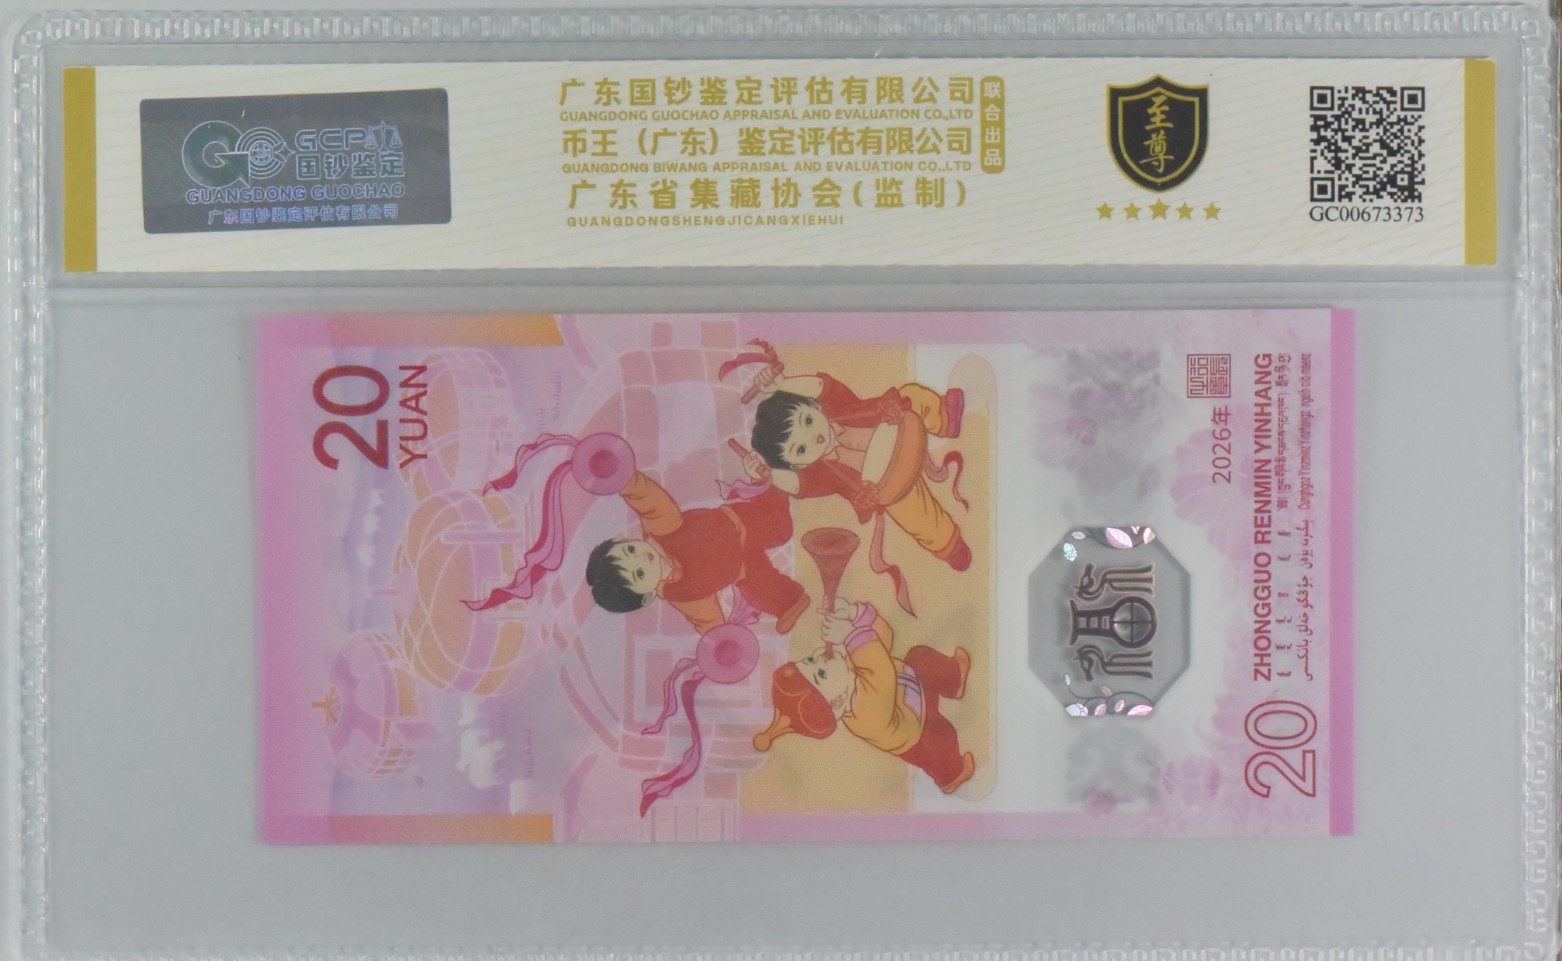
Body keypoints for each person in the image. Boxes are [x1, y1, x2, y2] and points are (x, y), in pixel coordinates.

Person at [749, 368, 971, 571]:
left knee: (911, 395)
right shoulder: (821, 475)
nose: (812, 437)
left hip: (902, 423)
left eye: (807, 421)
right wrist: (768, 475)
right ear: (798, 466)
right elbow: (797, 485)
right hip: (893, 485)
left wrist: (783, 385)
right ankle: (948, 544)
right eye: (801, 449)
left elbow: (820, 386)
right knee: (918, 518)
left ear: (814, 406)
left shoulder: (837, 405)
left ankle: (945, 417)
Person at [752, 596, 977, 794]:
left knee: (919, 657)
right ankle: (952, 776)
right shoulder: (866, 715)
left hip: (910, 689)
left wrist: (856, 613)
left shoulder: (846, 677)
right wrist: (850, 634)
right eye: (821, 673)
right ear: (837, 701)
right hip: (918, 732)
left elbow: (884, 641)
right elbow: (881, 670)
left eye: (811, 660)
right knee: (942, 741)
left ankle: (955, 678)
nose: (821, 656)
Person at [584, 462, 809, 635]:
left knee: (781, 528)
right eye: (640, 573)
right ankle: (790, 602)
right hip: (742, 569)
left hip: (741, 526)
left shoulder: (661, 529)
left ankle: (774, 490)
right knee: (761, 591)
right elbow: (706, 619)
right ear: (647, 597)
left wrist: (627, 480)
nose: (643, 558)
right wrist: (720, 640)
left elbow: (648, 498)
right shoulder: (681, 596)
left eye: (631, 551)